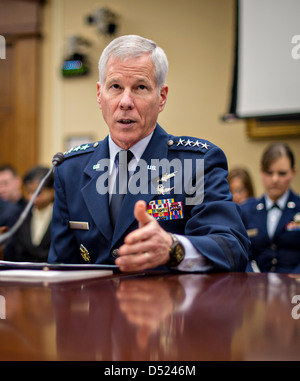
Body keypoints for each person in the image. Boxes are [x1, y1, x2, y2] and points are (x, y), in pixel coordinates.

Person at [48, 35, 250, 273]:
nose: (125, 101)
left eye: (140, 87)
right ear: (99, 94)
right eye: (115, 87)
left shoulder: (197, 164)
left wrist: (174, 248)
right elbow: (60, 268)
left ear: (162, 97)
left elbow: (232, 248)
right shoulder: (69, 169)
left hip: (171, 307)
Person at [240, 142, 300, 273]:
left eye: (282, 173)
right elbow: (242, 255)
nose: (275, 179)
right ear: (261, 171)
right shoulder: (246, 210)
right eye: (269, 172)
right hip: (256, 287)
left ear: (293, 172)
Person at [4, 166, 55, 262]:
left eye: (38, 192)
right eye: (29, 192)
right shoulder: (19, 215)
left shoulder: (62, 216)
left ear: (53, 190)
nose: (32, 198)